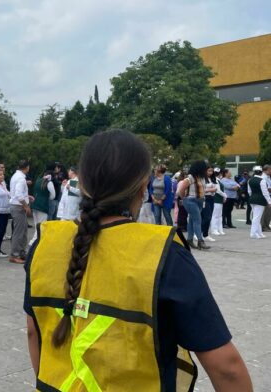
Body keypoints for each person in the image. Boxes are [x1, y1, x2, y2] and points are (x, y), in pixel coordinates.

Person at [24, 129, 252, 391]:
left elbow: (35, 333)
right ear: (143, 186)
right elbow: (227, 368)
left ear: (82, 183)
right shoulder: (164, 252)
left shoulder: (44, 243)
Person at [177, 161, 210, 250]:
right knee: (197, 220)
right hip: (191, 200)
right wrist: (184, 198)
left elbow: (203, 189)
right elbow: (181, 189)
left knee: (192, 220)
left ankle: (189, 240)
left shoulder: (202, 178)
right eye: (205, 168)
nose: (206, 170)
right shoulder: (190, 178)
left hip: (199, 200)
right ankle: (200, 241)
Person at [9, 160, 32, 264]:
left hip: (17, 205)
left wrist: (27, 197)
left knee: (23, 231)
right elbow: (18, 195)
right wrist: (26, 206)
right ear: (26, 167)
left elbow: (18, 193)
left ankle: (21, 252)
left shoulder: (16, 176)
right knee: (19, 232)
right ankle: (14, 255)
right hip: (18, 207)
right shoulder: (21, 178)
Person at [28, 171, 55, 246]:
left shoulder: (38, 180)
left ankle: (34, 240)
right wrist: (47, 197)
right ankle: (36, 241)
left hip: (35, 203)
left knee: (37, 224)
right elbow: (53, 195)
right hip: (43, 206)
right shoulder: (49, 183)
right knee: (42, 224)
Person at [248, 165, 271, 239]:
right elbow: (265, 192)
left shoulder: (250, 180)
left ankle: (259, 232)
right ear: (261, 172)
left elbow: (249, 192)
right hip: (260, 200)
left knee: (257, 216)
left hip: (252, 199)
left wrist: (253, 197)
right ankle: (253, 233)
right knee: (257, 217)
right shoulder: (262, 180)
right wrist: (269, 201)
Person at [201, 166, 217, 242]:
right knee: (206, 217)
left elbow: (216, 188)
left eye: (211, 171)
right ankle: (198, 232)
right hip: (204, 198)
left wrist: (213, 190)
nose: (210, 172)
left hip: (211, 198)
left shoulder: (212, 179)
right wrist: (211, 189)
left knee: (209, 217)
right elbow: (201, 190)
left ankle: (205, 234)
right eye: (209, 171)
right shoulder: (202, 178)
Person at [209, 168, 227, 237]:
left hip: (219, 199)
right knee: (215, 215)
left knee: (219, 215)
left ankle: (220, 229)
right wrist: (225, 195)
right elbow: (218, 191)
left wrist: (224, 197)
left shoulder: (218, 180)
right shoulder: (215, 180)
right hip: (216, 199)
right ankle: (214, 229)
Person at [261, 165, 271, 232]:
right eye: (270, 169)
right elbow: (266, 188)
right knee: (265, 213)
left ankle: (267, 226)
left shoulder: (268, 177)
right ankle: (263, 227)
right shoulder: (263, 177)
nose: (270, 171)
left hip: (269, 195)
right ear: (266, 170)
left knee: (268, 213)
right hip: (265, 197)